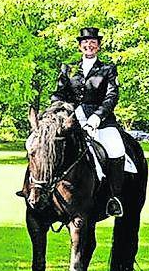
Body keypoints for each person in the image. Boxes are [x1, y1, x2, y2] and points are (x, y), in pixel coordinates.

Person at [50, 27, 125, 217]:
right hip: (72, 119)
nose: (89, 45)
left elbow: (111, 96)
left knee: (116, 149)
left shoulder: (107, 69)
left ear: (98, 46)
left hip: (101, 120)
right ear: (80, 46)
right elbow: (59, 93)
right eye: (85, 42)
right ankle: (43, 191)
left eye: (93, 42)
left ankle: (113, 198)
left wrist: (97, 117)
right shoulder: (68, 69)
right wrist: (58, 109)